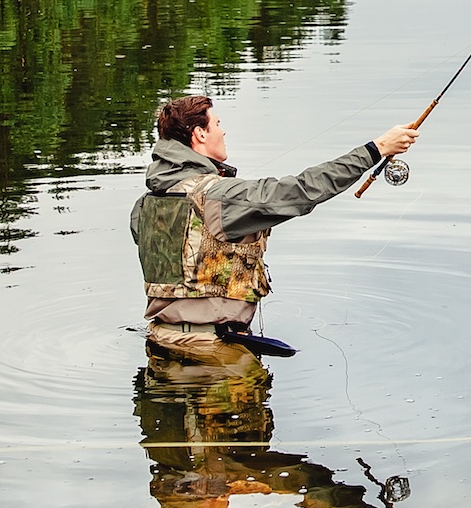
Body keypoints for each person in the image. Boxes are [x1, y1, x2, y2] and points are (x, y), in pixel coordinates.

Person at [130, 93, 419, 359]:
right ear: (200, 134)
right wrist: (376, 149)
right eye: (217, 124)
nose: (223, 131)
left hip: (159, 343)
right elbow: (302, 190)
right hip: (211, 352)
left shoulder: (144, 205)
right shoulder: (219, 198)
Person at [134, 344, 418, 508]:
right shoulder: (163, 466)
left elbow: (304, 481)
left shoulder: (208, 477)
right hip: (166, 350)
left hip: (219, 360)